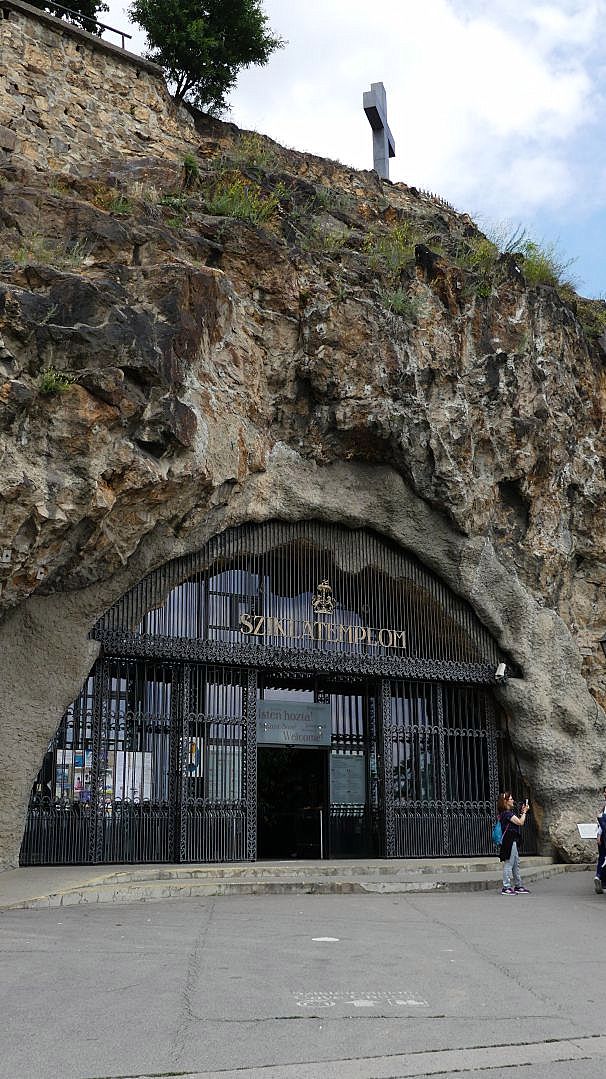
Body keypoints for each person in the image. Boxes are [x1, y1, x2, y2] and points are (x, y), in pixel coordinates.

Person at [496, 791, 530, 895]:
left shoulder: (506, 813)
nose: (513, 800)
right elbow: (520, 822)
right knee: (509, 863)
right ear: (505, 801)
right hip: (509, 840)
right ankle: (506, 887)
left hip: (512, 840)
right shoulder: (507, 814)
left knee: (515, 863)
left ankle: (518, 885)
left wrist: (522, 813)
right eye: (511, 799)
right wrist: (524, 812)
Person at [594, 786, 606, 894]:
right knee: (603, 857)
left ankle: (599, 876)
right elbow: (602, 823)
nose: (605, 794)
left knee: (602, 858)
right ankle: (600, 877)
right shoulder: (604, 807)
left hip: (602, 835)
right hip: (603, 835)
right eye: (604, 792)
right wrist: (599, 835)